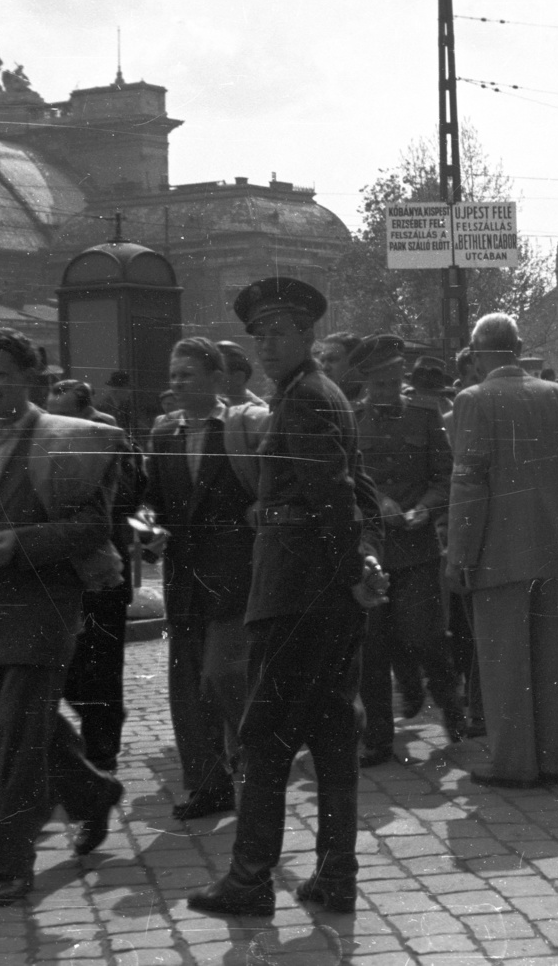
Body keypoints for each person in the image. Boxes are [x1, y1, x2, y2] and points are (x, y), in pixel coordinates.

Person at [188, 278, 384, 918]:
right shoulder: (315, 395)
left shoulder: (304, 399)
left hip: (299, 594)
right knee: (330, 733)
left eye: (279, 332)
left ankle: (249, 880)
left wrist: (353, 563)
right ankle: (335, 875)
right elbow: (352, 492)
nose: (267, 344)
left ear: (307, 336)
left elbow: (333, 496)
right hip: (319, 591)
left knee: (263, 735)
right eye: (259, 334)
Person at [0, 328, 126, 906]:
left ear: (29, 380)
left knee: (20, 735)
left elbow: (94, 526)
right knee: (19, 726)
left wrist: (19, 544)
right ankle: (93, 794)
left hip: (44, 605)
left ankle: (10, 863)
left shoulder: (69, 442)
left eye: (1, 374)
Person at [443, 313, 558, 786]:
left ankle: (511, 763)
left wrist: (459, 553)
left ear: (479, 354)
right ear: (519, 348)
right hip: (549, 547)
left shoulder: (472, 400)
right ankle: (547, 758)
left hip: (494, 552)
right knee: (547, 657)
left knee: (503, 663)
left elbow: (468, 483)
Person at [146, 337, 267, 820]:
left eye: (187, 375)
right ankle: (207, 785)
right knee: (189, 685)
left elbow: (266, 488)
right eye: (173, 375)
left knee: (224, 674)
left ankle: (259, 766)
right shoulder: (163, 435)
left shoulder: (241, 428)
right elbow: (150, 500)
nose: (176, 384)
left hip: (235, 574)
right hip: (184, 577)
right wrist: (147, 528)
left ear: (217, 381)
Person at [346, 334, 462, 767]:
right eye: (378, 384)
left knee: (426, 635)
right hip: (372, 549)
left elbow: (444, 475)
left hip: (416, 548)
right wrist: (380, 503)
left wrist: (423, 509)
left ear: (402, 379)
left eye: (393, 383)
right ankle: (377, 738)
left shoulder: (426, 416)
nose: (386, 392)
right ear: (366, 382)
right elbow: (349, 484)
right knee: (372, 648)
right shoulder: (353, 422)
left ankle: (454, 713)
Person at [46, 377, 142, 772]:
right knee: (70, 665)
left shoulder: (113, 440)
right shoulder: (57, 439)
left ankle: (103, 746)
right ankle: (101, 725)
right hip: (64, 572)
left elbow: (130, 496)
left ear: (85, 410)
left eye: (63, 415)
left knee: (102, 664)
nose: (56, 424)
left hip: (105, 571)